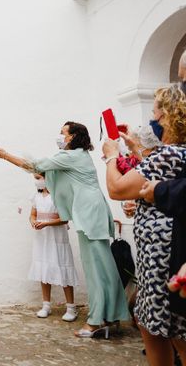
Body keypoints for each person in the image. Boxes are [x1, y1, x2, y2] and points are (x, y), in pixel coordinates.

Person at [0, 121, 129, 338]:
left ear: (72, 137)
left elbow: (36, 165)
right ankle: (109, 315)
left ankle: (97, 320)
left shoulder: (71, 156)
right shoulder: (80, 156)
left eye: (63, 133)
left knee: (95, 269)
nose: (60, 136)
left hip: (89, 214)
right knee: (103, 266)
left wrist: (5, 155)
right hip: (93, 212)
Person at [103, 85, 186, 365]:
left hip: (160, 256)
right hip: (170, 251)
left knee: (159, 329)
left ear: (167, 116)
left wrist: (112, 154)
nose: (152, 119)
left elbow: (116, 188)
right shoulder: (177, 153)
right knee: (170, 330)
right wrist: (135, 148)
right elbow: (153, 174)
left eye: (154, 112)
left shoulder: (169, 154)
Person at [28, 173, 79, 321]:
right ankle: (46, 305)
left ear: (48, 177)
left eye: (39, 178)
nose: (37, 181)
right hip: (42, 238)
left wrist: (46, 223)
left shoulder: (59, 195)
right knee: (44, 269)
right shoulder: (36, 196)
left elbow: (65, 218)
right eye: (35, 178)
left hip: (57, 238)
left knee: (63, 267)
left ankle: (71, 307)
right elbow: (32, 214)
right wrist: (33, 221)